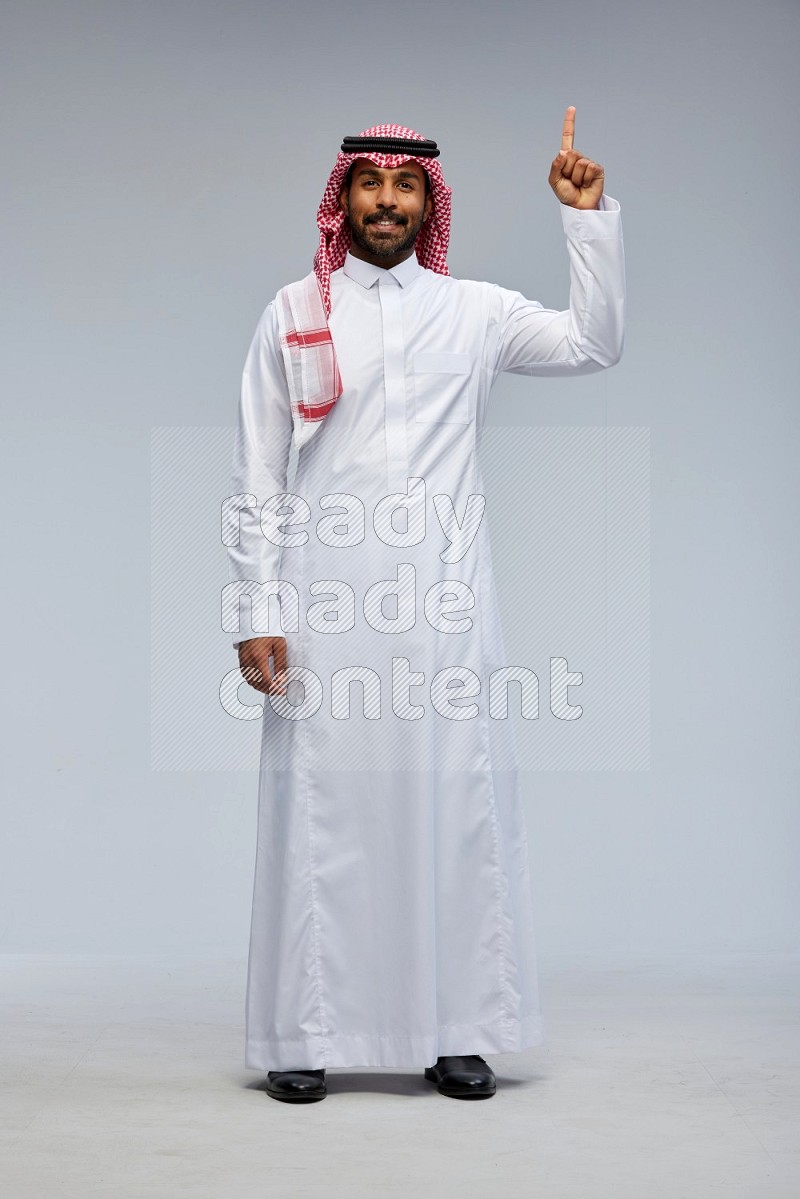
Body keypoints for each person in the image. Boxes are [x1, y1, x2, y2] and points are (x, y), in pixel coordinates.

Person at [225, 110, 625, 1103]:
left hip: (445, 612)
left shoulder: (474, 312)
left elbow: (593, 343)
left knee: (453, 816)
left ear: (429, 202)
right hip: (321, 613)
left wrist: (587, 221)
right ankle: (302, 1030)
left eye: (406, 185)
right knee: (321, 820)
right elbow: (258, 470)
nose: (387, 201)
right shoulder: (292, 311)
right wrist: (253, 607)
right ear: (344, 197)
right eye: (370, 183)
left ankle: (458, 1031)